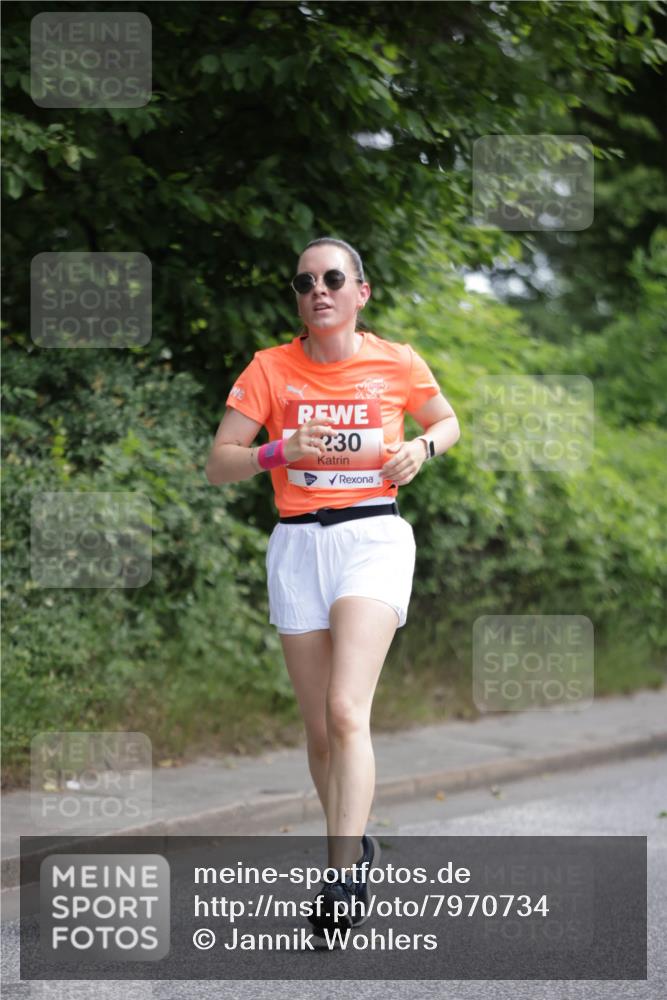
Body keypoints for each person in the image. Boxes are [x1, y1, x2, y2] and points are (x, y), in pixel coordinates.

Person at [205, 237, 460, 934]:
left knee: (347, 710)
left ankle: (341, 878)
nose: (317, 289)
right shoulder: (269, 368)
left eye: (332, 278)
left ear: (360, 292)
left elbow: (446, 421)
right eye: (304, 281)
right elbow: (219, 464)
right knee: (319, 729)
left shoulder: (396, 361)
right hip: (297, 546)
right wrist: (278, 450)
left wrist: (422, 447)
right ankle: (353, 844)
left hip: (372, 538)